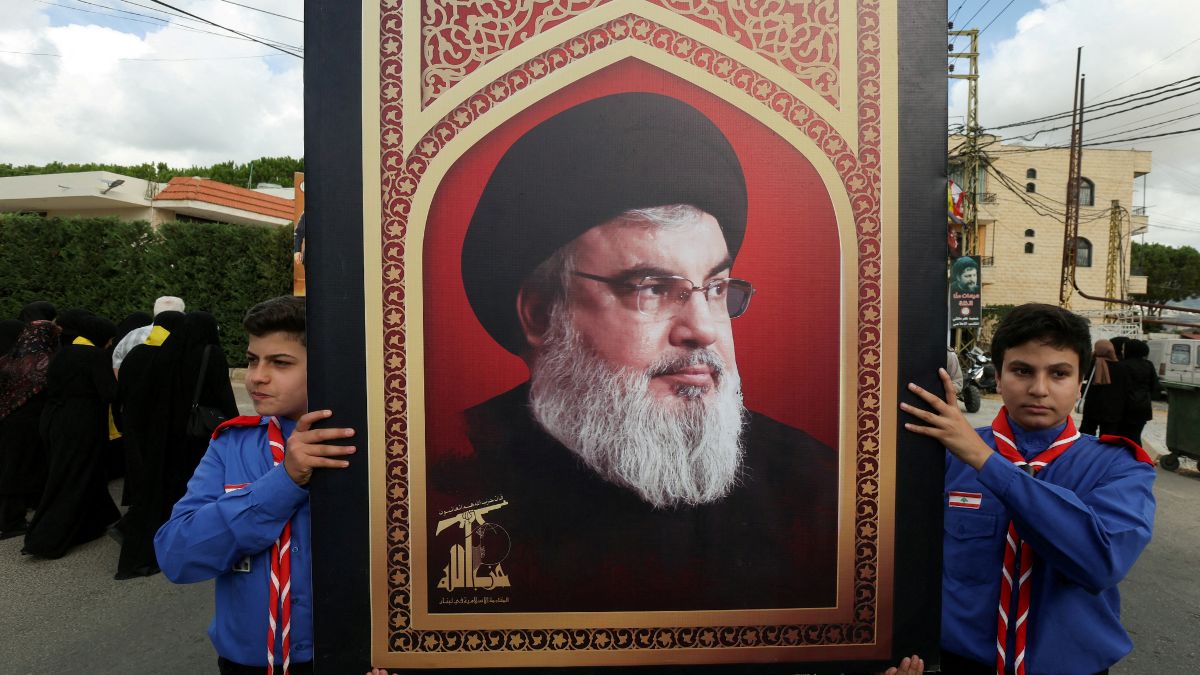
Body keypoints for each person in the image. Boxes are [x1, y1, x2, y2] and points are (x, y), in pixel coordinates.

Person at [431, 92, 839, 613]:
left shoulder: (812, 487)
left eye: (715, 288)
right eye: (649, 287)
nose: (702, 331)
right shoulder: (443, 478)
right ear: (540, 313)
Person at [901, 303, 1156, 674]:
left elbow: (1099, 562)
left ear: (1080, 382)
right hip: (960, 662)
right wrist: (892, 649)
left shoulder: (1120, 467)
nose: (1039, 389)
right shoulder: (943, 455)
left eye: (1059, 373)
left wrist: (985, 460)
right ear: (998, 378)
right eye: (1022, 370)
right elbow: (902, 563)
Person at [155, 295, 356, 674]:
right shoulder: (232, 445)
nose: (256, 376)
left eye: (280, 363)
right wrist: (283, 482)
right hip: (248, 661)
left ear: (329, 364)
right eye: (252, 359)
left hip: (347, 657)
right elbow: (176, 556)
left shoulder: (371, 449)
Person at [115, 310, 239, 579]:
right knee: (200, 491)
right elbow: (223, 397)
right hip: (199, 436)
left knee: (166, 489)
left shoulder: (166, 352)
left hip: (167, 435)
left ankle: (148, 543)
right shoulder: (210, 353)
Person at [23, 313, 122, 558]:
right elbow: (109, 393)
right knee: (73, 478)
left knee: (72, 473)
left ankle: (96, 520)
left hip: (54, 419)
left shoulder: (63, 353)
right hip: (81, 423)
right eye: (109, 340)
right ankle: (46, 539)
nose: (109, 345)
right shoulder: (94, 356)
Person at [0, 313, 60, 538]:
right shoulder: (40, 362)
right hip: (28, 425)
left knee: (10, 468)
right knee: (18, 470)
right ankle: (12, 521)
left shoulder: (8, 360)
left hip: (7, 421)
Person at [111, 295, 185, 372]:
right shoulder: (186, 337)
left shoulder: (132, 335)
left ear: (155, 312)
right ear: (182, 314)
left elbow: (117, 365)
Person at [1114, 339, 1158, 446]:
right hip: (1143, 407)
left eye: (1124, 349)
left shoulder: (1121, 365)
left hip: (1125, 408)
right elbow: (1155, 386)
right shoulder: (1149, 365)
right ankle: (1137, 459)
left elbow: (1118, 388)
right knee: (1135, 437)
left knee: (1122, 437)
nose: (1123, 351)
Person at [1079, 339, 1125, 437]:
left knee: (1087, 432)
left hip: (1092, 405)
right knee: (1108, 435)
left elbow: (1084, 377)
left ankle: (1085, 451)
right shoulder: (1121, 366)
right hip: (1112, 407)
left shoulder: (1091, 364)